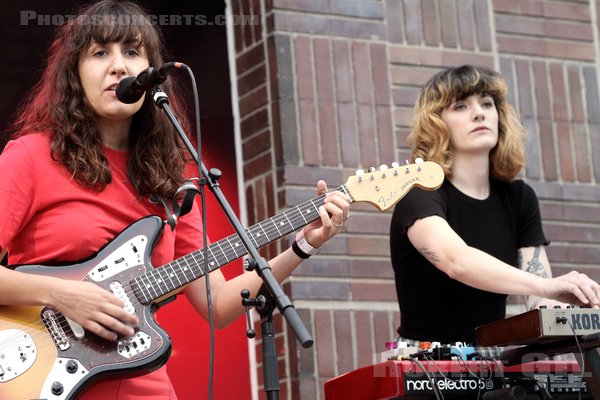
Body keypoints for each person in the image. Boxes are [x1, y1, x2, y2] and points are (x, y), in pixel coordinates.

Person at [0, 1, 350, 399]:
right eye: (100, 53)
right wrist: (62, 294)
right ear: (74, 75)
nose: (120, 66)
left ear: (150, 76)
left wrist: (304, 244)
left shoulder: (172, 183)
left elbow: (217, 304)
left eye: (132, 52)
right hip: (39, 380)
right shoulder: (31, 156)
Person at [389, 64, 600, 346]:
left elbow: (537, 290)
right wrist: (546, 286)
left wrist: (558, 305)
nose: (479, 113)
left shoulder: (519, 197)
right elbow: (456, 261)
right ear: (437, 122)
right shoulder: (419, 192)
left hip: (494, 356)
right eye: (461, 106)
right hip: (425, 361)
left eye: (487, 103)